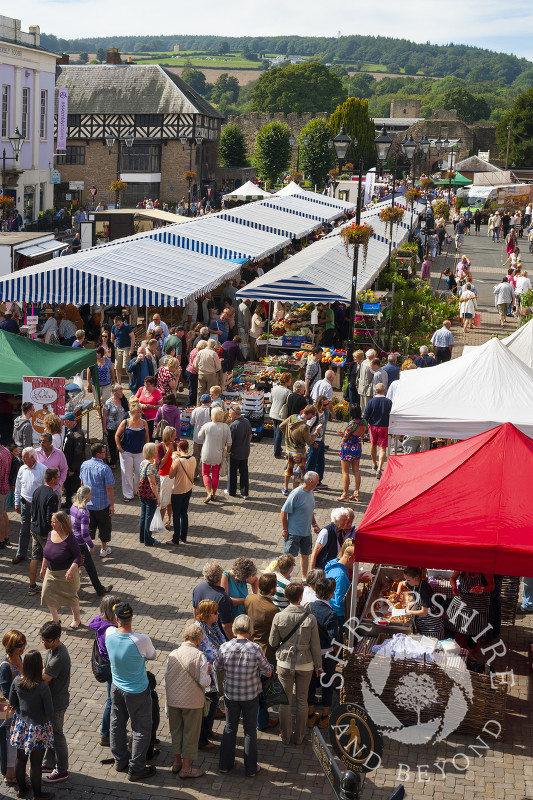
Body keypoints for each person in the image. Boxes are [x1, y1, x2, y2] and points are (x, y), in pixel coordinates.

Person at [214, 614, 272, 777]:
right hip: (250, 695)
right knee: (250, 731)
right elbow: (267, 672)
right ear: (249, 629)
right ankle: (251, 769)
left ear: (235, 629)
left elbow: (217, 667)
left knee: (229, 728)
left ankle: (225, 765)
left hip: (231, 694)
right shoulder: (255, 648)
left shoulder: (225, 646)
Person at [105, 602, 157, 781]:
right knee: (142, 729)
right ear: (132, 617)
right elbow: (152, 655)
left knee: (117, 723)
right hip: (137, 690)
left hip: (116, 687)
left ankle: (120, 760)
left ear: (115, 618)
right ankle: (136, 768)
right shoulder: (142, 640)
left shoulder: (109, 633)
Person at [269, 582, 322, 746]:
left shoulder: (279, 616)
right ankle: (299, 737)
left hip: (284, 663)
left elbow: (272, 642)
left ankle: (285, 736)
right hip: (305, 664)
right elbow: (315, 645)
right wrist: (319, 666)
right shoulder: (310, 618)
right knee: (302, 700)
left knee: (285, 702)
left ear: (286, 597)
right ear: (301, 597)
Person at [165, 621, 210, 779]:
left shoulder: (173, 654)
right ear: (198, 640)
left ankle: (176, 762)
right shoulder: (200, 656)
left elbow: (166, 677)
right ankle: (186, 768)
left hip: (173, 700)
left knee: (176, 732)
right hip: (192, 701)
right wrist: (209, 671)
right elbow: (205, 682)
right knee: (190, 734)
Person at [8, 648, 54, 800]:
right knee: (36, 763)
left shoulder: (16, 681)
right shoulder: (43, 687)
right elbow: (49, 711)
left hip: (21, 725)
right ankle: (38, 794)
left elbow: (12, 702)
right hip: (38, 728)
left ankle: (21, 790)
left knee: (20, 759)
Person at [243, 573, 280, 731]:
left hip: (249, 646)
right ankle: (262, 722)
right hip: (265, 652)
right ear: (272, 589)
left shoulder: (250, 599)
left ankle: (252, 717)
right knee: (263, 690)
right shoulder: (273, 610)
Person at [88, 594, 122, 747]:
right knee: (112, 700)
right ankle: (105, 733)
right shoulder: (110, 630)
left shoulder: (100, 621)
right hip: (111, 668)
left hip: (105, 665)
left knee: (112, 698)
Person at [40, 621, 71, 783]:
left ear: (57, 639)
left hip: (57, 702)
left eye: (47, 641)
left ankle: (62, 769)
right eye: (42, 640)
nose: (43, 643)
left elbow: (44, 680)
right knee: (52, 733)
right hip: (53, 700)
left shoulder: (59, 657)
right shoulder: (52, 650)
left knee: (57, 735)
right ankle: (49, 763)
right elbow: (44, 667)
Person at [306, 578, 340, 730]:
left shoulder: (308, 607)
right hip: (326, 655)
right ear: (331, 594)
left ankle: (310, 715)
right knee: (327, 685)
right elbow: (335, 639)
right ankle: (325, 716)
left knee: (311, 684)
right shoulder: (331, 614)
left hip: (310, 654)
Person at [40, 512, 82, 628]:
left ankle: (77, 619)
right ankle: (55, 620)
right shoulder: (50, 534)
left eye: (54, 522)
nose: (52, 524)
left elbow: (78, 556)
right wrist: (43, 567)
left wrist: (71, 570)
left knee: (71, 597)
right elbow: (46, 553)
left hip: (66, 574)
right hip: (51, 573)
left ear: (62, 523)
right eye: (52, 521)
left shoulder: (70, 538)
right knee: (46, 594)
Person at [195, 600, 226, 748]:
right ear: (207, 615)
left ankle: (208, 731)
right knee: (207, 706)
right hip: (206, 674)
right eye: (215, 612)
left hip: (216, 671)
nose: (218, 614)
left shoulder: (213, 625)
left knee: (213, 704)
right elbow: (197, 653)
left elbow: (222, 640)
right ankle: (202, 740)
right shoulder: (198, 630)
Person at [70, 486, 112, 596]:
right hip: (80, 544)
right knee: (90, 568)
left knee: (77, 566)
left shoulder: (73, 507)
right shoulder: (84, 512)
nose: (92, 496)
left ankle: (97, 588)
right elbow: (84, 532)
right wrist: (91, 544)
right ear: (87, 497)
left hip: (72, 540)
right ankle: (99, 589)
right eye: (90, 494)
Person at [280, 471, 320, 580]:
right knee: (288, 558)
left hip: (306, 532)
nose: (318, 482)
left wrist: (314, 524)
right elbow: (283, 511)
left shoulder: (311, 491)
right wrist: (284, 529)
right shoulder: (296, 493)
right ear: (311, 481)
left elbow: (310, 510)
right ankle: (283, 578)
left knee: (305, 555)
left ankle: (304, 578)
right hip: (293, 532)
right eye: (317, 481)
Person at [445, 572, 495, 658]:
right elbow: (452, 578)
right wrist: (454, 587)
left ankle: (470, 651)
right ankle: (458, 648)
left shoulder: (485, 568)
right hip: (463, 598)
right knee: (457, 624)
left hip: (479, 601)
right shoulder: (462, 565)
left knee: (474, 628)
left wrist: (482, 589)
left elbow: (492, 586)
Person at [28, 467, 60, 596]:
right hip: (44, 532)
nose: (59, 479)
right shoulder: (52, 495)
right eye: (57, 477)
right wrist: (55, 532)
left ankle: (32, 586)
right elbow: (50, 518)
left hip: (34, 528)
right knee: (51, 559)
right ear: (52, 479)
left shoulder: (37, 491)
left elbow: (32, 511)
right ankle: (51, 588)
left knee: (35, 557)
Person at [0, 629, 26, 786]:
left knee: (17, 744)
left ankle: (16, 772)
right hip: (10, 713)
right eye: (19, 645)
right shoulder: (5, 666)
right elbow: (6, 692)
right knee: (9, 744)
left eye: (23, 644)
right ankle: (10, 775)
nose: (22, 647)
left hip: (19, 710)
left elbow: (25, 677)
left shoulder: (18, 658)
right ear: (11, 646)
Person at [79, 442, 115, 558]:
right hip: (102, 504)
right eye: (104, 452)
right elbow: (109, 488)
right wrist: (112, 505)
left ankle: (89, 547)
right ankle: (103, 549)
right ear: (99, 454)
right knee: (104, 527)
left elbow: (82, 483)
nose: (106, 454)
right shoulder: (105, 468)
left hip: (88, 504)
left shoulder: (84, 464)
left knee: (89, 527)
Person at [13, 447, 47, 565]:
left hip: (38, 506)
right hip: (24, 504)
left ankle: (41, 556)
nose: (22, 459)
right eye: (22, 456)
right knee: (24, 529)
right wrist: (16, 502)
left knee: (40, 531)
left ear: (33, 457)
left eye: (25, 457)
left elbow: (46, 488)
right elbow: (18, 487)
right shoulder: (22, 469)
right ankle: (20, 554)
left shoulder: (43, 469)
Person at [393, 567, 446, 639]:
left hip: (432, 626)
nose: (407, 582)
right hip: (423, 623)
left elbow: (424, 612)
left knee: (432, 646)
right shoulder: (416, 584)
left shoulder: (424, 590)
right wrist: (398, 593)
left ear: (416, 577)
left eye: (408, 580)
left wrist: (407, 611)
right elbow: (401, 583)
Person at [279, 405, 321, 495]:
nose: (312, 418)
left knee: (288, 470)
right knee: (297, 474)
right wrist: (316, 432)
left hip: (289, 450)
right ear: (309, 414)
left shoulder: (292, 417)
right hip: (299, 453)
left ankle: (285, 488)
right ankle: (295, 492)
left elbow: (281, 426)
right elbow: (309, 441)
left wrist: (288, 436)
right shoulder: (304, 427)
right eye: (313, 416)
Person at [115, 400, 149, 503]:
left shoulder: (144, 422)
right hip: (127, 452)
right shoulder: (125, 422)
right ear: (132, 413)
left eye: (140, 412)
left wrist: (146, 447)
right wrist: (120, 448)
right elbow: (117, 435)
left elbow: (147, 436)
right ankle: (128, 494)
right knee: (127, 474)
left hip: (140, 452)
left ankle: (137, 490)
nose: (139, 414)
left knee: (139, 473)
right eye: (137, 412)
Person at [197, 405, 231, 504]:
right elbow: (229, 443)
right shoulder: (226, 427)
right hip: (218, 454)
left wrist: (201, 429)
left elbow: (199, 437)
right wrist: (227, 452)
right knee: (215, 475)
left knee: (205, 474)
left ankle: (208, 493)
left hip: (207, 453)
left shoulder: (207, 425)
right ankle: (214, 493)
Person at [192, 561, 234, 640]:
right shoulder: (223, 598)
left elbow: (195, 611)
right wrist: (232, 641)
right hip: (218, 640)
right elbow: (226, 625)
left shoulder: (198, 588)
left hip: (202, 635)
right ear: (220, 577)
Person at [336, 404, 367, 501]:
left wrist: (344, 435)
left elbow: (345, 438)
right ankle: (356, 492)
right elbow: (362, 435)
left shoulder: (352, 424)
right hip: (357, 447)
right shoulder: (363, 422)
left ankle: (345, 494)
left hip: (348, 448)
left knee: (345, 471)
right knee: (356, 471)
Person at [363, 384, 392, 479]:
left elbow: (365, 416)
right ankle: (380, 468)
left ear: (375, 391)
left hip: (373, 426)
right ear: (384, 391)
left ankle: (374, 463)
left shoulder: (371, 402)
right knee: (382, 448)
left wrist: (363, 429)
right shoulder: (389, 402)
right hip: (384, 427)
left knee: (373, 444)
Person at [324, 542, 355, 629]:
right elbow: (340, 601)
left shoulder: (334, 563)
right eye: (354, 562)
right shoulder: (340, 575)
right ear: (349, 558)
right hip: (339, 615)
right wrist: (355, 595)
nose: (355, 565)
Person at [60, 412, 86, 510]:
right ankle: (68, 503)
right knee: (67, 485)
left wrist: (72, 469)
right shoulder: (70, 431)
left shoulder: (77, 435)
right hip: (68, 465)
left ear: (70, 421)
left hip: (73, 467)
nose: (64, 422)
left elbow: (78, 455)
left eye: (65, 420)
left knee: (74, 487)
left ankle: (73, 507)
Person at [137, 443, 161, 547]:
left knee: (143, 515)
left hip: (142, 493)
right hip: (150, 496)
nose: (157, 452)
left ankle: (142, 537)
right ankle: (148, 540)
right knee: (149, 518)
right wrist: (158, 497)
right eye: (155, 450)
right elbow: (152, 483)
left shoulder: (143, 462)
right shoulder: (150, 466)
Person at [225, 405, 252, 499]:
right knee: (244, 473)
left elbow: (230, 442)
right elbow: (250, 436)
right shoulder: (247, 422)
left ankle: (232, 491)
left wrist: (227, 452)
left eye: (230, 414)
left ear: (234, 414)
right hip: (245, 452)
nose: (229, 416)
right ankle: (245, 493)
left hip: (235, 453)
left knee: (232, 473)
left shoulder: (233, 425)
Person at [102, 385, 127, 470]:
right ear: (115, 393)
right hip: (111, 427)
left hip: (121, 427)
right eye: (120, 392)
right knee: (112, 445)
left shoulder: (123, 400)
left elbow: (127, 410)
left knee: (121, 443)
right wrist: (104, 428)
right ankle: (112, 461)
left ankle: (117, 458)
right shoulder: (109, 402)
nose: (122, 393)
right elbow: (104, 416)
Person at [190, 394, 213, 479]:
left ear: (201, 401)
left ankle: (194, 474)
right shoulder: (212, 410)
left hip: (197, 437)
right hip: (208, 438)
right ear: (210, 402)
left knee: (196, 456)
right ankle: (204, 474)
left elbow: (192, 423)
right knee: (205, 457)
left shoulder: (196, 410)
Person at [270, 373, 292, 459]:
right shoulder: (287, 392)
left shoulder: (274, 388)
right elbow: (288, 404)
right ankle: (276, 452)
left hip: (273, 412)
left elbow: (271, 399)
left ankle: (278, 448)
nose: (291, 381)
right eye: (290, 380)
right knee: (279, 433)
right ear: (286, 381)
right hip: (281, 414)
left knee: (276, 431)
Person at [135, 376, 162, 440]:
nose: (146, 385)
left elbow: (160, 406)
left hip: (152, 419)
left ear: (153, 384)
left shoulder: (157, 392)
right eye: (145, 383)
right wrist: (140, 405)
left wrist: (150, 406)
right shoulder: (141, 389)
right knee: (141, 436)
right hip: (141, 417)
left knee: (150, 437)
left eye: (148, 384)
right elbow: (134, 401)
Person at [111, 316, 135, 384]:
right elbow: (112, 338)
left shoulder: (127, 327)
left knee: (126, 367)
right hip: (118, 348)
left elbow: (133, 337)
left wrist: (131, 349)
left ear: (121, 321)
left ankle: (131, 381)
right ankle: (119, 383)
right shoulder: (114, 327)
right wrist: (112, 349)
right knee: (117, 367)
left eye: (118, 325)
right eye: (116, 325)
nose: (117, 327)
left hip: (126, 348)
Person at [356, 349, 376, 413]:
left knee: (362, 407)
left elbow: (359, 375)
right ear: (373, 356)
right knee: (367, 408)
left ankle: (362, 420)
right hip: (368, 390)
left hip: (361, 388)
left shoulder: (363, 362)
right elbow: (374, 377)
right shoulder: (371, 364)